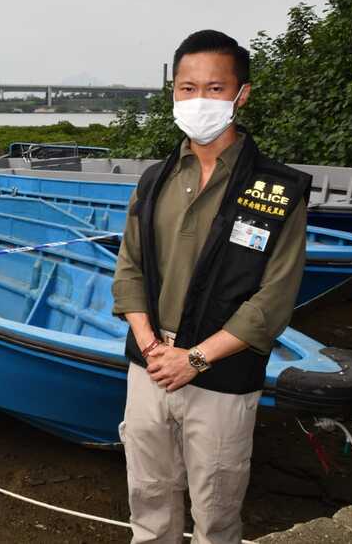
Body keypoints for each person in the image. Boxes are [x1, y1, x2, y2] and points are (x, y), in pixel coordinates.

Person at [112, 30, 310, 543]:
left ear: (242, 94)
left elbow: (274, 297)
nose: (199, 100)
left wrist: (195, 359)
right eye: (187, 87)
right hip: (150, 366)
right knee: (148, 498)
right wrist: (155, 347)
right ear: (172, 92)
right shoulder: (154, 179)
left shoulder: (276, 190)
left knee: (216, 511)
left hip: (221, 373)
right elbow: (129, 268)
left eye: (215, 88)